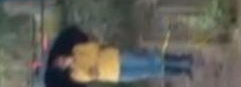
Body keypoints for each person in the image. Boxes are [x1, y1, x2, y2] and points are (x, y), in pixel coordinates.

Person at [51, 40, 194, 84]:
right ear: (63, 68)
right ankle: (182, 71)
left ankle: (182, 59)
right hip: (116, 75)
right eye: (62, 64)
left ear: (63, 55)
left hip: (116, 58)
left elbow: (94, 47)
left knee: (150, 59)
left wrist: (91, 64)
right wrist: (89, 67)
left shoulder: (77, 50)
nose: (64, 61)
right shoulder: (75, 74)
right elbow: (91, 75)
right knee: (151, 71)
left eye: (62, 59)